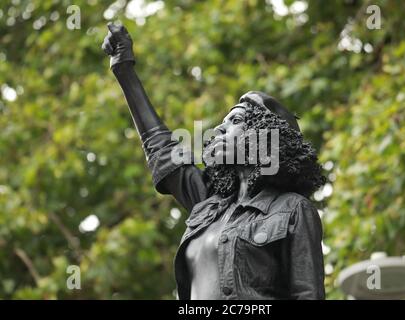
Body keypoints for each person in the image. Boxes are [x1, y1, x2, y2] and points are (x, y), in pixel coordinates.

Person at [102, 22, 326, 300]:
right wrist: (124, 70)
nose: (219, 129)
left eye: (235, 121)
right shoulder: (208, 205)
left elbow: (308, 294)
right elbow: (162, 150)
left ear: (263, 136)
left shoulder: (292, 209)